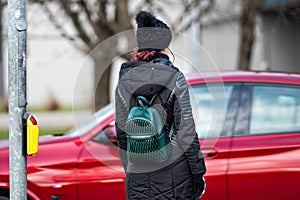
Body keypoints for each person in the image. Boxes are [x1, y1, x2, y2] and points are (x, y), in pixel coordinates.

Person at [115, 11, 206, 200]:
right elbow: (186, 132)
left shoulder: (124, 81)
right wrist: (198, 174)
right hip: (176, 175)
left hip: (137, 175)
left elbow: (122, 134)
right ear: (164, 48)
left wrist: (131, 168)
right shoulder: (175, 78)